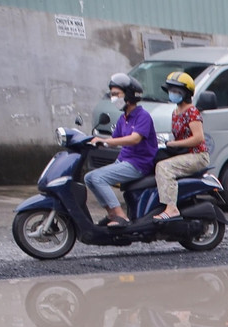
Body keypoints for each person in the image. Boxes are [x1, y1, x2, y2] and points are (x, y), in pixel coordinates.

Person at [85, 73, 158, 226]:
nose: (113, 98)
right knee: (89, 178)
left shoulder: (142, 116)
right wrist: (91, 141)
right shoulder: (123, 118)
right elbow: (113, 140)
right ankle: (111, 213)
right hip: (124, 161)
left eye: (117, 94)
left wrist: (105, 141)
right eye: (112, 95)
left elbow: (134, 139)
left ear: (129, 95)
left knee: (98, 178)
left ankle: (121, 216)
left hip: (138, 164)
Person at [153, 72, 209, 222]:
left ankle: (171, 208)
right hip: (183, 154)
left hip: (197, 156)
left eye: (176, 91)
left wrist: (174, 144)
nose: (172, 93)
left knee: (164, 167)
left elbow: (198, 138)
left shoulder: (192, 111)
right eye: (170, 90)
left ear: (186, 93)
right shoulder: (175, 112)